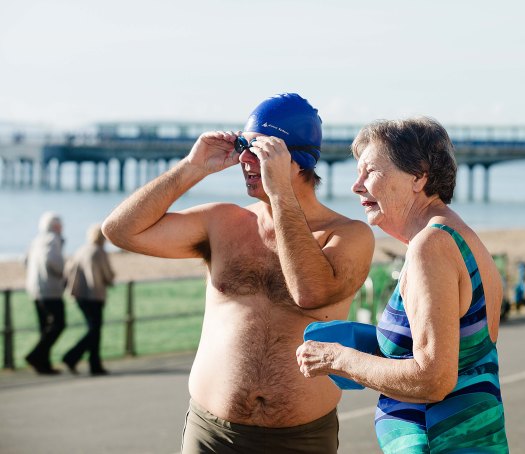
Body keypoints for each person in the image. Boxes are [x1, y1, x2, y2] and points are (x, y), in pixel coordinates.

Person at [102, 93, 374, 453]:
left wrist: (280, 196)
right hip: (212, 434)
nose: (245, 159)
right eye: (244, 146)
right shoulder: (223, 222)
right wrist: (192, 167)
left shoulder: (348, 235)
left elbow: (310, 293)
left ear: (297, 160)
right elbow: (120, 231)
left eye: (258, 150)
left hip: (302, 437)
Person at [296, 117, 509, 452]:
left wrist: (339, 358)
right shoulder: (459, 238)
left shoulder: (431, 247)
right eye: (357, 172)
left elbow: (434, 379)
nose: (357, 185)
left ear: (418, 176)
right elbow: (463, 357)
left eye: (370, 171)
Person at [62, 224, 115, 376]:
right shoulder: (99, 252)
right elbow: (107, 274)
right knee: (94, 330)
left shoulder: (81, 250)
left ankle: (93, 364)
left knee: (93, 330)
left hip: (79, 295)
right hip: (94, 295)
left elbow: (68, 269)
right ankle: (73, 357)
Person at [24, 212, 67, 375]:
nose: (62, 228)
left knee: (45, 327)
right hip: (50, 290)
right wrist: (62, 272)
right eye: (61, 225)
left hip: (34, 289)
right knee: (59, 324)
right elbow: (52, 260)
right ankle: (35, 356)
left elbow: (25, 261)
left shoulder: (36, 240)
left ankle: (43, 365)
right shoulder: (52, 239)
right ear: (55, 226)